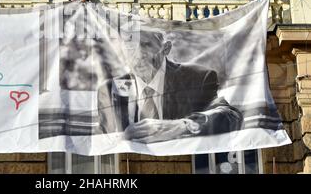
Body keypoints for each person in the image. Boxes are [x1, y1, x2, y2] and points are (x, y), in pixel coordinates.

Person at [97, 30, 243, 143]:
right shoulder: (110, 90)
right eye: (130, 47)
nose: (138, 55)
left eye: (146, 45)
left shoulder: (198, 78)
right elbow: (104, 140)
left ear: (166, 48)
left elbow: (230, 116)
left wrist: (182, 126)